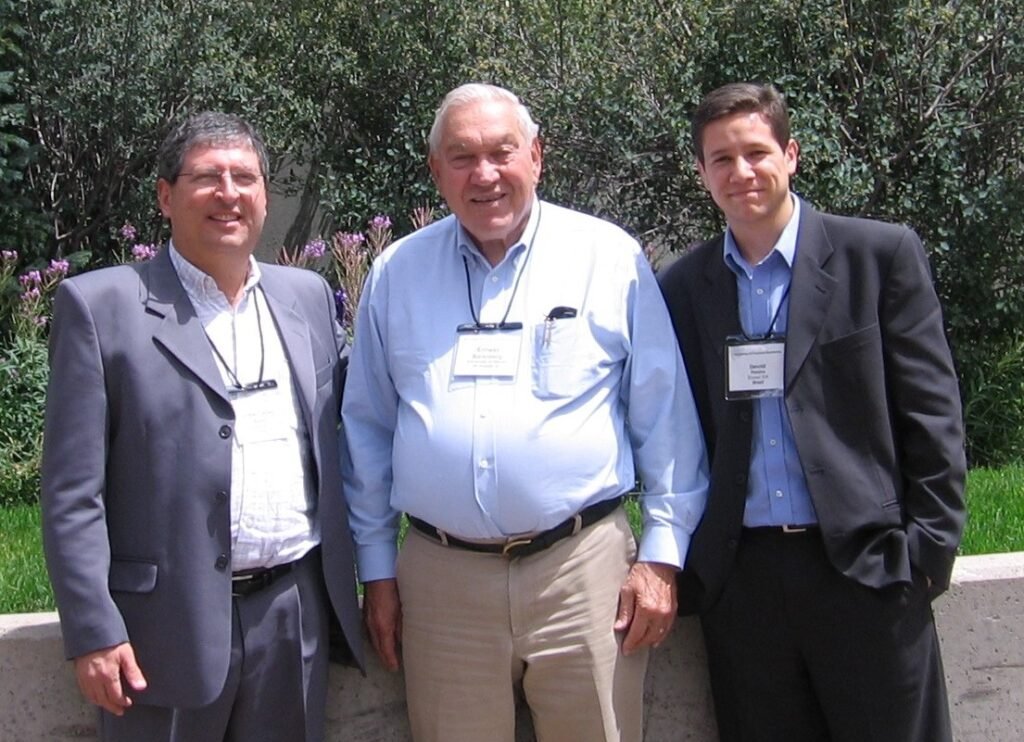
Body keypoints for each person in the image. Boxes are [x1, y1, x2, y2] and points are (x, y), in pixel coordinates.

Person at [341, 83, 709, 742]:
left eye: (501, 152)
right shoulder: (396, 273)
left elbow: (665, 416)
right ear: (436, 171)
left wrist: (661, 557)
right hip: (443, 584)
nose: (484, 174)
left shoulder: (606, 257)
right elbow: (368, 429)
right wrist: (377, 567)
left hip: (583, 575)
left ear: (536, 156)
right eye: (462, 157)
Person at [40, 111, 363, 742]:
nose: (229, 193)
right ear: (166, 196)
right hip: (161, 630)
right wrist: (92, 628)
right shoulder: (101, 307)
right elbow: (72, 492)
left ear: (265, 195)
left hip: (292, 614)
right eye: (208, 177)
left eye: (245, 177)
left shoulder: (307, 297)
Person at [658, 82, 967, 742]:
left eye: (756, 152)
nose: (741, 171)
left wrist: (925, 556)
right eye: (721, 159)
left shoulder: (877, 257)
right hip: (745, 587)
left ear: (791, 155)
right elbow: (678, 431)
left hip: (867, 573)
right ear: (701, 173)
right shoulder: (684, 287)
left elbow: (934, 417)